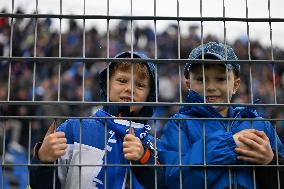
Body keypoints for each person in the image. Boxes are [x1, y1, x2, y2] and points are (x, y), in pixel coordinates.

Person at [159, 42, 284, 189]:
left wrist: (270, 161)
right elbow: (174, 180)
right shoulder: (180, 125)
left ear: (236, 85)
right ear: (188, 84)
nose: (211, 87)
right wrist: (229, 144)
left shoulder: (260, 125)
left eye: (220, 79)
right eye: (201, 79)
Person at [30, 51, 163, 189]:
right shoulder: (74, 130)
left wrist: (145, 159)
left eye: (140, 85)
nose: (130, 89)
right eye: (122, 81)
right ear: (107, 85)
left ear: (150, 95)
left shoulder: (156, 147)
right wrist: (42, 161)